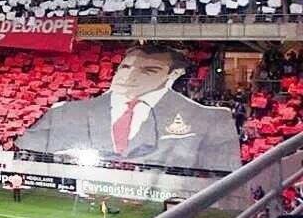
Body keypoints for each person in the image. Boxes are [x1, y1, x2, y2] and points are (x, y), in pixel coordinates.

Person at [16, 44, 241, 173]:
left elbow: (223, 176)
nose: (129, 76)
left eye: (148, 71)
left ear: (173, 75)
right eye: (125, 67)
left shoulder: (210, 119)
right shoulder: (64, 112)